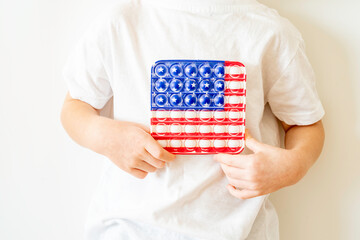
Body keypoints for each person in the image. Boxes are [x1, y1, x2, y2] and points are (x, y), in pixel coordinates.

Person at [60, 0, 325, 239]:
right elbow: (75, 106)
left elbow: (305, 123)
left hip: (238, 231)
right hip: (128, 228)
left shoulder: (270, 32)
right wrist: (106, 137)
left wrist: (293, 166)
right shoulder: (120, 22)